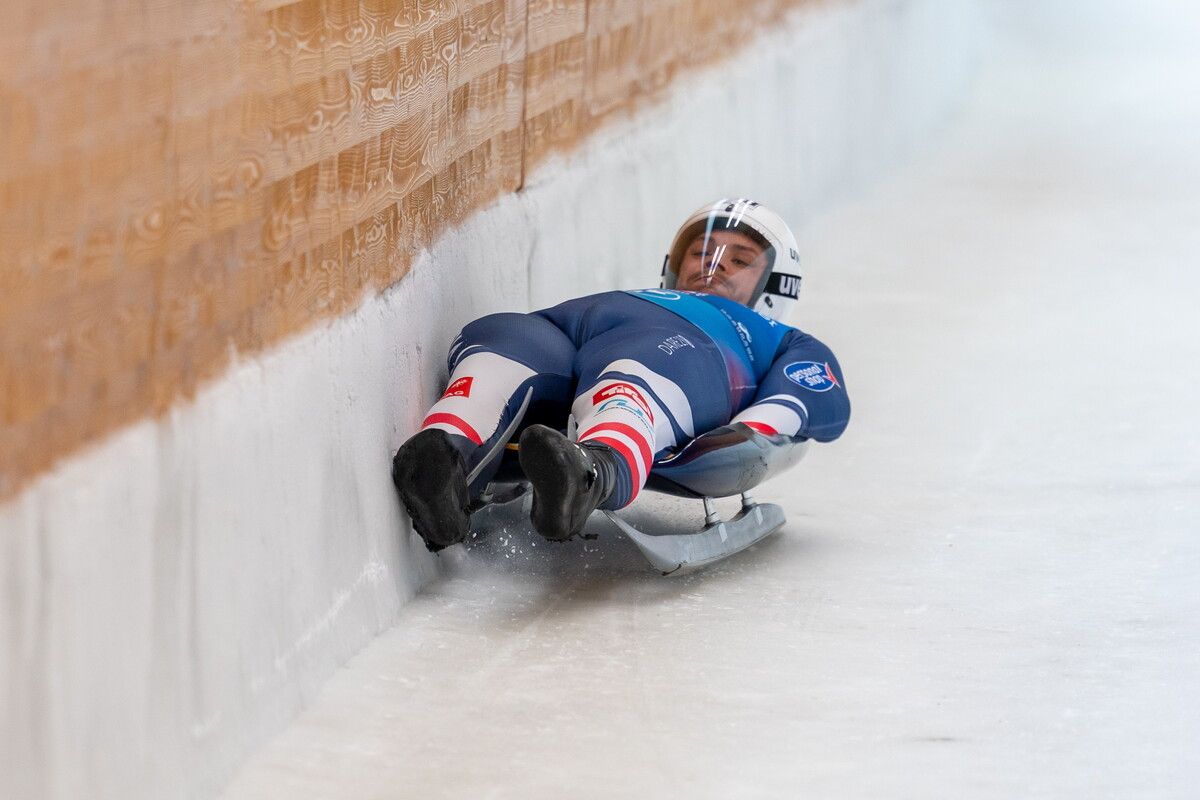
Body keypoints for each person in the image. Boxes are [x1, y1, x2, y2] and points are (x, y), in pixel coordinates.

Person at [392, 198, 851, 551]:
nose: (713, 267)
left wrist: (744, 437)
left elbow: (805, 400)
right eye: (701, 252)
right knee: (500, 342)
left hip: (688, 347)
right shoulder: (648, 294)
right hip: (572, 324)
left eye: (740, 260)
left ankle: (589, 473)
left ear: (776, 285)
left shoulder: (781, 339)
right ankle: (442, 455)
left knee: (635, 373)